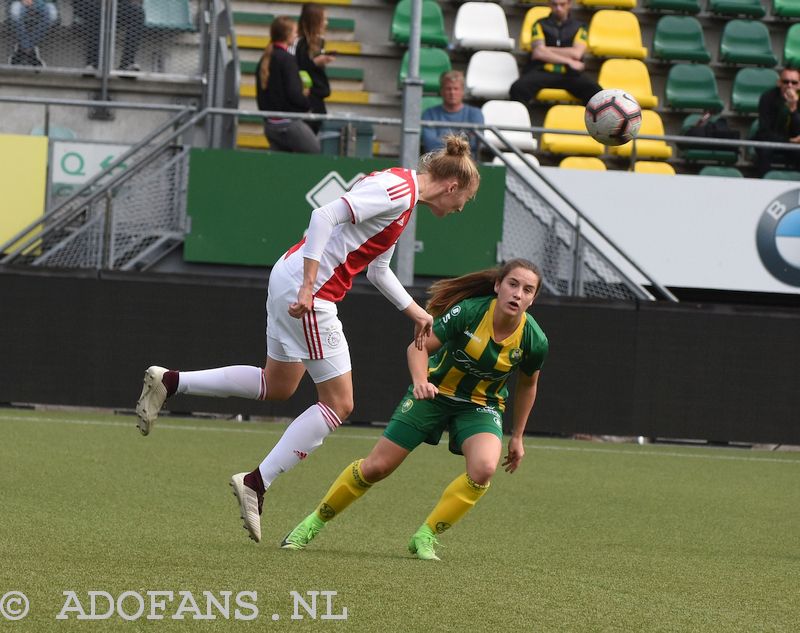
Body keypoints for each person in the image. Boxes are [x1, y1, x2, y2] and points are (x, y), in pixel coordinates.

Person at [134, 134, 482, 544]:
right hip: (309, 292)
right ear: (452, 185)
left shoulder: (403, 199)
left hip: (293, 277)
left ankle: (171, 382)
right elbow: (323, 216)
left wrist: (416, 312)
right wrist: (310, 284)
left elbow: (378, 270)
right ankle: (256, 482)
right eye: (463, 201)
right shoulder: (397, 189)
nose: (459, 210)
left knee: (277, 384)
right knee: (339, 404)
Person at [280, 259, 548, 561]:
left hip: (480, 406)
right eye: (513, 284)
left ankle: (426, 535)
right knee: (376, 467)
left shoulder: (533, 340)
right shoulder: (471, 312)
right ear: (498, 285)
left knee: (484, 469)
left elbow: (528, 385)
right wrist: (421, 381)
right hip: (432, 394)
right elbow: (418, 347)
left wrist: (518, 436)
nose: (517, 294)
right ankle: (311, 523)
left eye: (527, 290)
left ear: (533, 298)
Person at [509, 0, 601, 107]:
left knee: (597, 94)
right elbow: (538, 53)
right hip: (542, 71)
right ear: (549, 4)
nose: (558, 8)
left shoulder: (580, 27)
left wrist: (546, 50)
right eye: (554, 4)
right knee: (518, 88)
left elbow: (576, 53)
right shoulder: (539, 24)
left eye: (562, 4)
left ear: (569, 4)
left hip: (569, 73)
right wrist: (568, 60)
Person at [255, 16, 320, 153]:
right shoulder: (287, 60)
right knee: (316, 152)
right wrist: (306, 102)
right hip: (288, 124)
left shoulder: (264, 59)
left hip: (270, 125)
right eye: (295, 32)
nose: (296, 35)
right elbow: (294, 94)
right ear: (287, 35)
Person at [291, 4, 335, 135]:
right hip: (308, 103)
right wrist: (314, 63)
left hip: (317, 100)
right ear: (315, 21)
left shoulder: (318, 43)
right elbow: (299, 70)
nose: (326, 23)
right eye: (324, 19)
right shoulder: (300, 44)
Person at [422, 70, 484, 157]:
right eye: (448, 89)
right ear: (442, 91)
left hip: (467, 164)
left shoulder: (475, 114)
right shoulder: (429, 114)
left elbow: (476, 145)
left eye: (456, 89)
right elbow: (430, 145)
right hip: (437, 163)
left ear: (462, 91)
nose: (452, 92)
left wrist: (445, 142)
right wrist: (463, 142)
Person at [74, 0, 145, 72]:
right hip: (90, 4)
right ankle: (93, 63)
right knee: (95, 16)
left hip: (114, 5)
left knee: (138, 12)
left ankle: (127, 63)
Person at [754, 67, 800, 177]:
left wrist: (793, 109)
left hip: (794, 141)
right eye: (785, 81)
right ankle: (763, 184)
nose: (789, 85)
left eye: (794, 82)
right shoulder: (768, 97)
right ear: (779, 83)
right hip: (771, 139)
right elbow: (764, 130)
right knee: (764, 151)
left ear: (799, 85)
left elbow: (798, 131)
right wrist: (788, 141)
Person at [7, 0, 58, 67]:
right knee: (15, 14)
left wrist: (38, 2)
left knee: (52, 16)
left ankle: (24, 50)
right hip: (20, 1)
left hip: (45, 2)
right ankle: (30, 51)